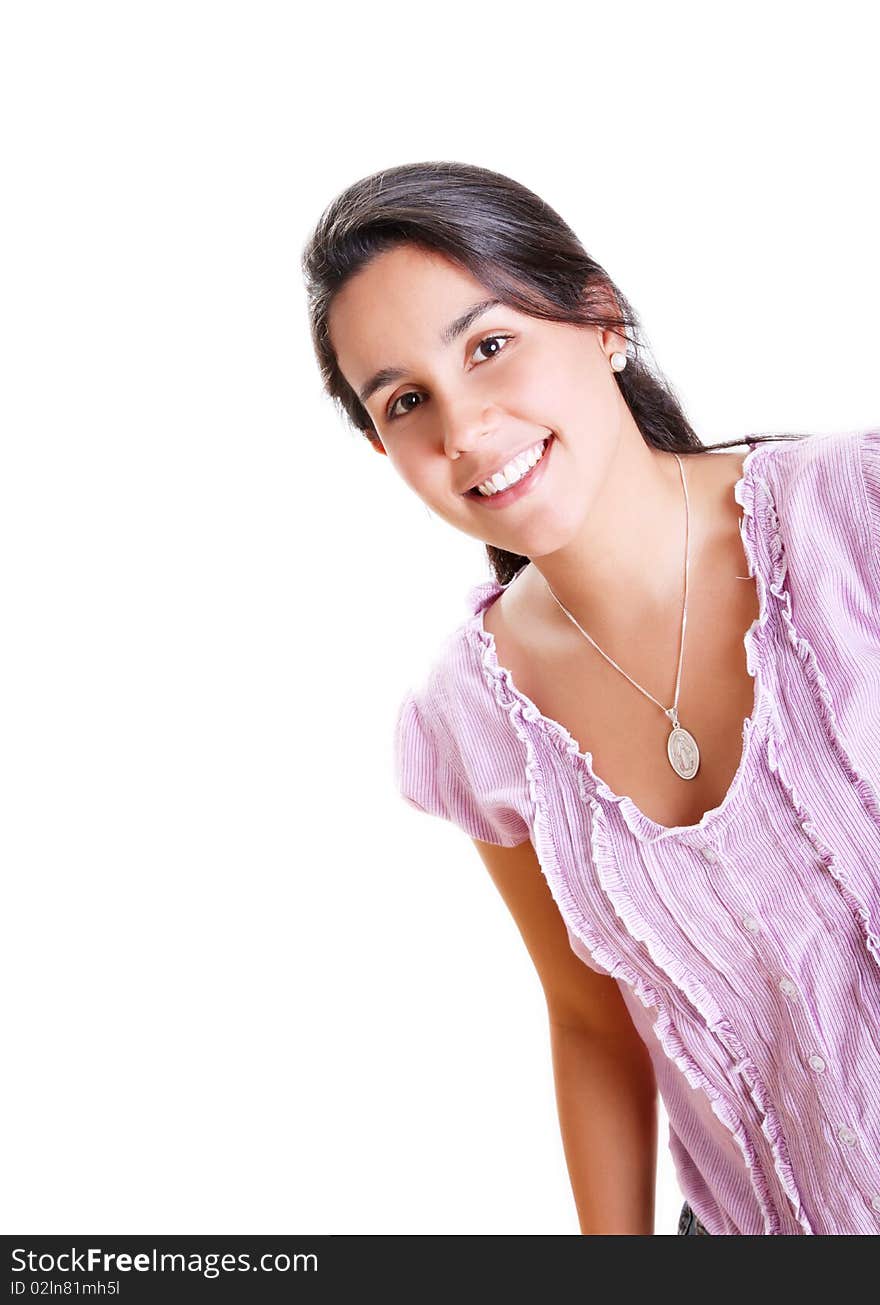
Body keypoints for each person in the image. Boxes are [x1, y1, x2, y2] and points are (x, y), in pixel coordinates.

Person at [301, 160, 880, 1236]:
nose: (465, 431)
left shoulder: (853, 516)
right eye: (405, 401)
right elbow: (591, 1025)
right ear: (382, 446)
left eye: (487, 346)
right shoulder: (469, 715)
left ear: (599, 316)